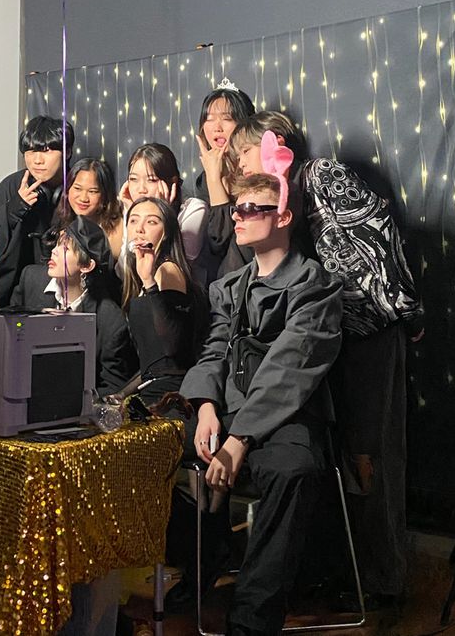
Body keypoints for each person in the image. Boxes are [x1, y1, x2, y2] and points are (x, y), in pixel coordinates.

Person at [231, 111, 424, 605]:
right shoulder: (281, 200)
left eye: (243, 154)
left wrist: (408, 311)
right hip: (332, 339)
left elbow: (379, 241)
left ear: (271, 145)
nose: (240, 166)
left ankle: (384, 585)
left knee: (372, 460)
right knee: (345, 460)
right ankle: (348, 575)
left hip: (369, 336)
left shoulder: (321, 176)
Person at [181, 172, 343, 635]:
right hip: (228, 411)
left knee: (292, 471)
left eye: (253, 208)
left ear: (284, 217)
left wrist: (239, 440)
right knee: (150, 450)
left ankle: (251, 621)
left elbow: (290, 368)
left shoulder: (316, 285)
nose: (239, 215)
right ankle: (200, 566)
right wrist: (206, 405)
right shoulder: (228, 288)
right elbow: (214, 351)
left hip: (290, 417)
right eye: (236, 207)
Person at [9, 216, 138, 397]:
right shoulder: (30, 280)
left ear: (86, 265)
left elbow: (113, 386)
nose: (54, 251)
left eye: (65, 248)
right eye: (56, 244)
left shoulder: (109, 320)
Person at [0, 115, 73, 306]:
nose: (37, 160)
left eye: (46, 150)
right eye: (31, 151)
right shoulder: (14, 184)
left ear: (67, 152)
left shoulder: (78, 187)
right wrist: (13, 209)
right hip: (12, 293)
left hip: (65, 289)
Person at [122, 197, 208, 405]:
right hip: (152, 390)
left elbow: (171, 346)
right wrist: (120, 394)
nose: (139, 229)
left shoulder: (167, 270)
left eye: (151, 222)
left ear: (167, 231)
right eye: (133, 221)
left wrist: (149, 283)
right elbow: (153, 364)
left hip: (171, 397)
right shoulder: (143, 273)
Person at [194, 78, 256, 282]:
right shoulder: (203, 180)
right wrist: (212, 176)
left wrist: (214, 177)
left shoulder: (254, 171)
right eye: (209, 119)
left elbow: (235, 241)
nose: (216, 127)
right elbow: (216, 244)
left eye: (227, 118)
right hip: (220, 278)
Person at [119, 143, 208, 281]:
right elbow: (124, 272)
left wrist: (162, 212)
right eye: (133, 179)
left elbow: (176, 268)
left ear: (172, 182)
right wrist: (131, 215)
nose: (141, 189)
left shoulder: (194, 209)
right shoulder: (129, 209)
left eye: (152, 180)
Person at [53, 157, 124, 260]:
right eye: (77, 188)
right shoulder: (62, 221)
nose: (83, 198)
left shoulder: (117, 228)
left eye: (92, 191)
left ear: (105, 195)